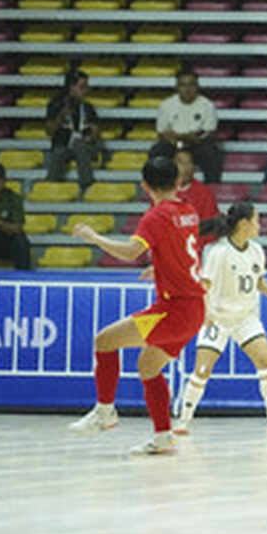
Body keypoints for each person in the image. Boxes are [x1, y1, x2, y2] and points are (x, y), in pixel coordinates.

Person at [67, 156, 203, 455]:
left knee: (104, 341)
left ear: (145, 186)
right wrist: (164, 268)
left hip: (174, 309)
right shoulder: (188, 211)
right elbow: (185, 251)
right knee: (148, 365)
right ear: (178, 182)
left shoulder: (156, 216)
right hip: (194, 310)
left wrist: (94, 237)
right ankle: (163, 436)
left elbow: (130, 252)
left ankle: (105, 412)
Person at [174, 201, 267, 437]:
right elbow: (205, 285)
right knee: (202, 370)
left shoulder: (257, 250)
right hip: (218, 318)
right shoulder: (219, 252)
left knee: (265, 361)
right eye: (256, 220)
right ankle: (183, 420)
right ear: (244, 224)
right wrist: (205, 314)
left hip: (246, 318)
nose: (259, 225)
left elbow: (258, 278)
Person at [151, 66, 223, 183]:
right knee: (157, 152)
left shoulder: (207, 105)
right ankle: (158, 188)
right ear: (176, 87)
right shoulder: (166, 105)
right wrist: (182, 137)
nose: (187, 89)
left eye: (191, 85)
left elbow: (208, 132)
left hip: (197, 144)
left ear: (197, 87)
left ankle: (212, 189)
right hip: (173, 144)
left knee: (211, 152)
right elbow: (162, 132)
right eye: (183, 85)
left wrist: (185, 137)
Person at [45, 69, 101, 189]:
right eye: (82, 87)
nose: (86, 91)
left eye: (86, 87)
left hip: (85, 147)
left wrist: (91, 135)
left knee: (79, 145)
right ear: (71, 88)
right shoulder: (56, 105)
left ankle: (87, 185)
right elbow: (49, 131)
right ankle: (50, 187)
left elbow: (96, 135)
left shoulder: (88, 108)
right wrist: (61, 117)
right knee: (59, 152)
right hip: (63, 145)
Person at [173, 148, 219, 253]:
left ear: (193, 167)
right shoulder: (162, 193)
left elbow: (210, 229)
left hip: (197, 252)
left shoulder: (205, 194)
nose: (184, 168)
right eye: (180, 162)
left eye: (188, 163)